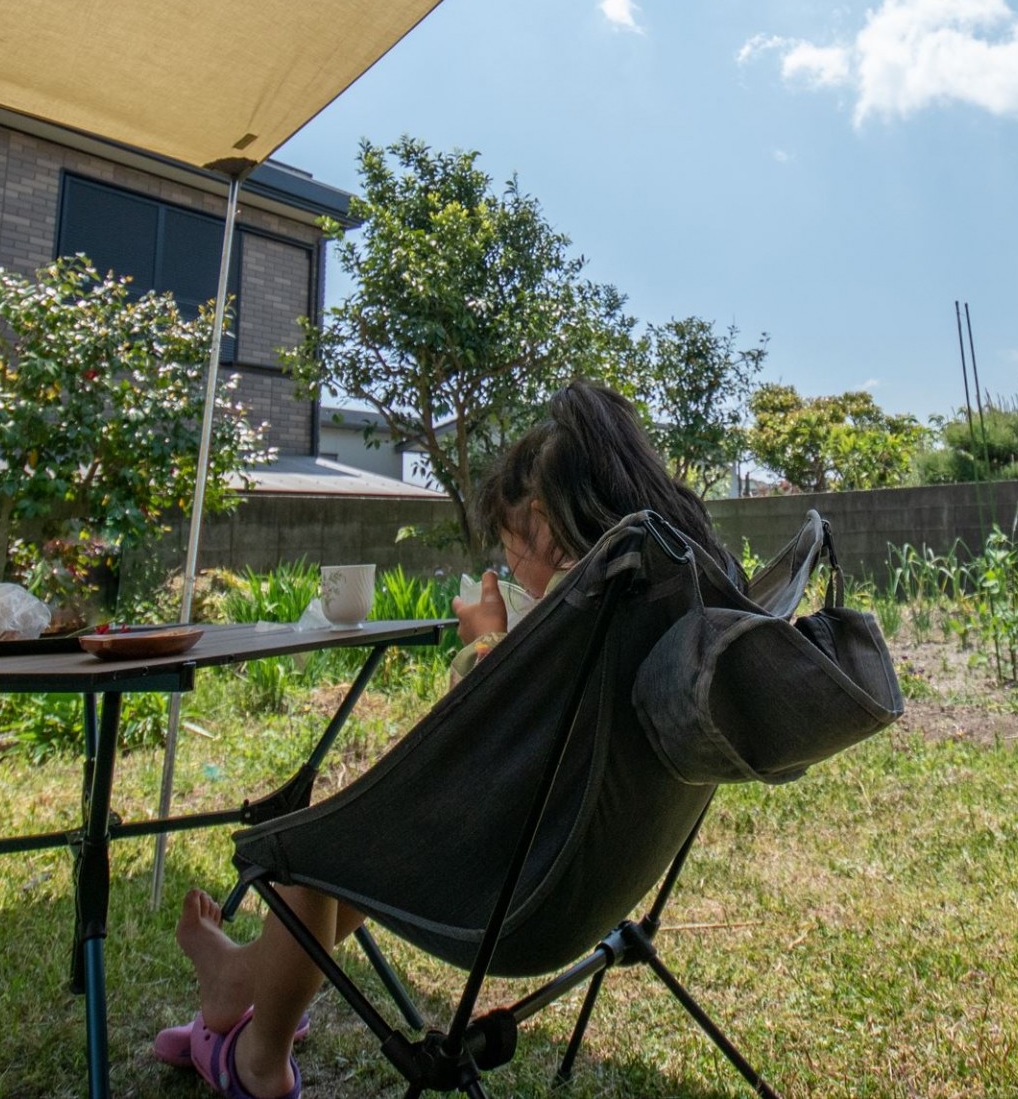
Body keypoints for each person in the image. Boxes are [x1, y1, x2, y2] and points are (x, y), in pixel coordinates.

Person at [161, 380, 734, 1099]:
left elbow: (485, 722)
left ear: (543, 524)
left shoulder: (585, 609)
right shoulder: (667, 593)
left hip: (513, 897)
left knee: (307, 860)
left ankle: (257, 1059)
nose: (508, 564)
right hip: (597, 878)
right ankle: (240, 976)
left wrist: (485, 642)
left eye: (507, 544)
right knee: (375, 850)